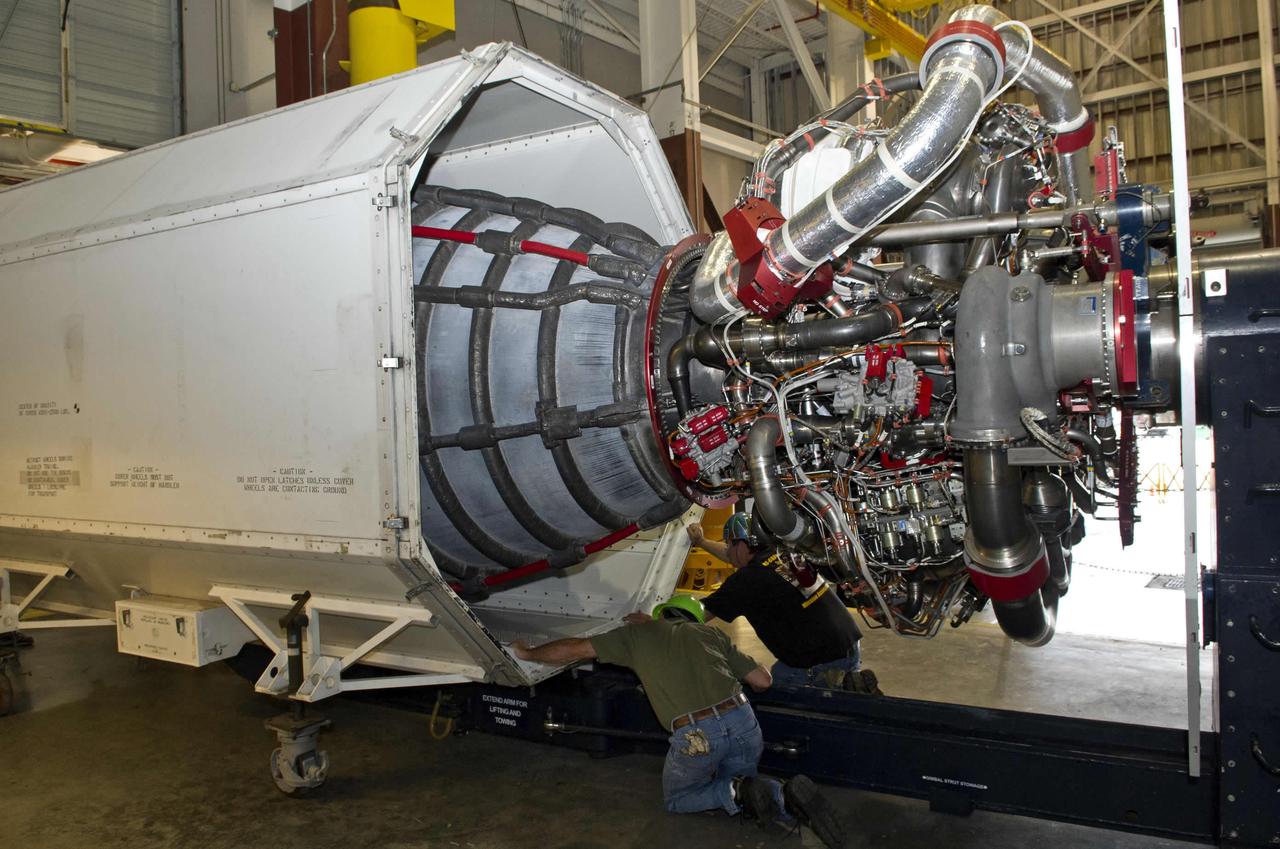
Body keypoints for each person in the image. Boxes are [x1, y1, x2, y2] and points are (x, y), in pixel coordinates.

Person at [512, 595, 847, 848]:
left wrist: (528, 653)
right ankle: (784, 797)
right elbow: (762, 681)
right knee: (744, 786)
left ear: (660, 615)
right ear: (695, 618)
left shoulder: (636, 636)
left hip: (697, 734)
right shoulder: (711, 636)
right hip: (743, 720)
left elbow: (575, 649)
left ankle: (739, 790)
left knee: (679, 799)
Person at [689, 513, 876, 693]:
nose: (727, 550)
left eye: (729, 544)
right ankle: (849, 686)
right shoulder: (781, 553)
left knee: (767, 695)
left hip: (819, 663)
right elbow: (732, 555)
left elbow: (699, 614)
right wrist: (702, 542)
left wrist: (666, 622)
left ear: (741, 545)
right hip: (848, 646)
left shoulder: (746, 580)